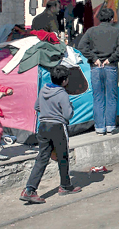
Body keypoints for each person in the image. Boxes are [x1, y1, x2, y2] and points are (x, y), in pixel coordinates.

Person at [20, 65, 82, 203]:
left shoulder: (43, 90)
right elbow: (68, 114)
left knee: (42, 157)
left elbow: (37, 107)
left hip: (43, 127)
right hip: (58, 127)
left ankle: (30, 189)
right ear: (65, 81)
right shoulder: (62, 94)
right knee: (63, 156)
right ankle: (65, 185)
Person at [79, 7, 119, 135]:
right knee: (111, 96)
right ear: (112, 19)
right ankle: (110, 125)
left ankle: (100, 127)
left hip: (96, 67)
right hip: (111, 67)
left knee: (98, 97)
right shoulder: (116, 32)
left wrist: (94, 59)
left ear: (99, 18)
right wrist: (111, 59)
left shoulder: (91, 31)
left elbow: (81, 46)